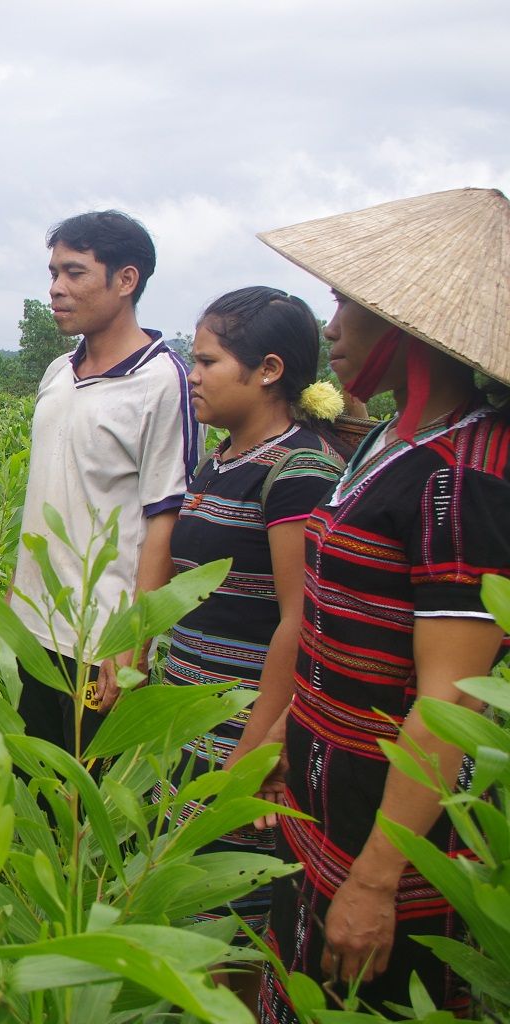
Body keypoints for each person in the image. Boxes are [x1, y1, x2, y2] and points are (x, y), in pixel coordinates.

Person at [254, 188, 510, 1020]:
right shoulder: (385, 438)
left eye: (345, 305)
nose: (329, 328)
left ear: (406, 325)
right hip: (333, 797)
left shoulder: (462, 477)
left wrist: (376, 880)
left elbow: (451, 701)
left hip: (397, 836)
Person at [162, 287, 346, 983]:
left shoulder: (298, 470)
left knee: (229, 930)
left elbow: (302, 618)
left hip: (242, 735)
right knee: (183, 908)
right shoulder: (223, 458)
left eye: (208, 361)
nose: (195, 374)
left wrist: (252, 754)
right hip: (189, 727)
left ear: (268, 370)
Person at [9, 210, 200, 758]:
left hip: (100, 640)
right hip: (35, 628)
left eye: (74, 273)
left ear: (125, 280)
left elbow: (165, 516)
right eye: (52, 274)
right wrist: (14, 604)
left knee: (87, 804)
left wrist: (133, 638)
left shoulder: (162, 382)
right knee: (35, 793)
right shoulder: (57, 372)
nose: (55, 290)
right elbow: (47, 497)